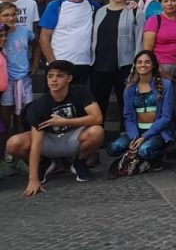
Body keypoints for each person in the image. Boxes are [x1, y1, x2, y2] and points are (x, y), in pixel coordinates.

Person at [6, 60, 104, 195]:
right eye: (50, 76)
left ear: (69, 78)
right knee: (13, 144)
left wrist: (65, 122)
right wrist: (33, 179)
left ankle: (79, 163)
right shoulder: (39, 105)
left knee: (97, 131)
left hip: (73, 137)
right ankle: (44, 163)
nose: (54, 80)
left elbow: (97, 118)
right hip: (48, 141)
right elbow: (36, 143)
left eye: (59, 76)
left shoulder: (81, 91)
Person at [108, 51, 175, 171]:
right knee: (113, 147)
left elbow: (166, 117)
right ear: (135, 65)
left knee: (144, 150)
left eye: (147, 62)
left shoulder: (166, 85)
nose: (142, 65)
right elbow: (128, 116)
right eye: (139, 62)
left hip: (157, 132)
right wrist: (134, 138)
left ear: (153, 65)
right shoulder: (129, 88)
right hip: (137, 131)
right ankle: (136, 157)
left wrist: (144, 137)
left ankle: (158, 155)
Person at [39, 0, 101, 89]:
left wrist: (129, 4)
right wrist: (53, 64)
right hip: (59, 64)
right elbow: (44, 38)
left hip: (84, 65)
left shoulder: (94, 6)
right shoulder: (56, 6)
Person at [89, 0, 139, 124]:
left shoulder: (135, 12)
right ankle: (97, 139)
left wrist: (137, 67)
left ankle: (127, 140)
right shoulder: (99, 12)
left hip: (124, 67)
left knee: (126, 106)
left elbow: (140, 40)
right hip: (99, 67)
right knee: (98, 107)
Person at [0, 2, 35, 150]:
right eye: (6, 15)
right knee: (5, 118)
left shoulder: (25, 31)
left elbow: (37, 43)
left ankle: (22, 152)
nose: (10, 17)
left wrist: (34, 64)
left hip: (24, 80)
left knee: (23, 117)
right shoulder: (1, 33)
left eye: (13, 14)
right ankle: (4, 153)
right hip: (7, 81)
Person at [142, 0, 176, 81]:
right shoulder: (154, 20)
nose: (170, 4)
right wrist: (159, 69)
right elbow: (147, 50)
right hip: (160, 66)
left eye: (173, 0)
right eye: (165, 1)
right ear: (161, 4)